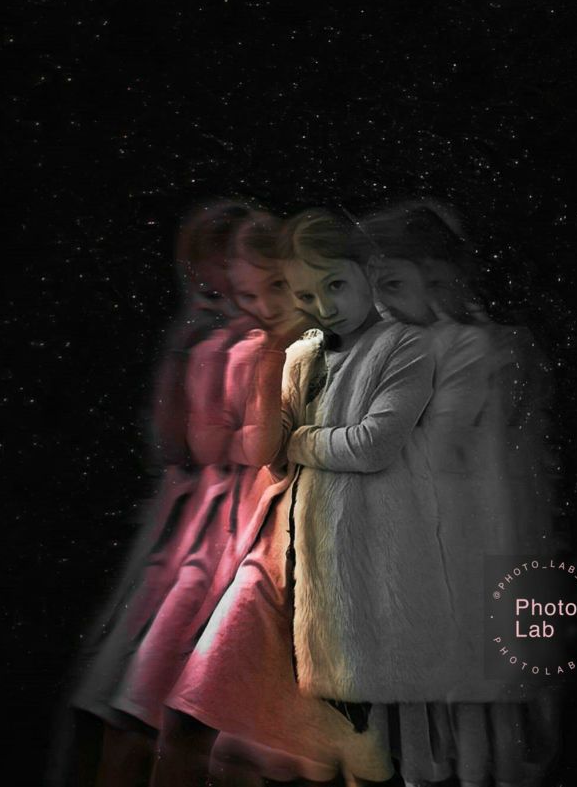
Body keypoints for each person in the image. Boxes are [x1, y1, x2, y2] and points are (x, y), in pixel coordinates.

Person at [151, 208, 461, 787]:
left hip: (359, 579)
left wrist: (299, 441)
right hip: (278, 564)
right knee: (189, 718)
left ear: (367, 271)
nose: (324, 306)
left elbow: (371, 445)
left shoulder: (405, 346)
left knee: (369, 758)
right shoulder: (301, 354)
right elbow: (268, 452)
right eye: (306, 295)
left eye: (334, 286)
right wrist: (274, 354)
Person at [59, 200, 258, 787]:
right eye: (212, 268)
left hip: (228, 528)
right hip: (192, 527)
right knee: (139, 697)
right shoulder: (204, 339)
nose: (222, 280)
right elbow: (173, 443)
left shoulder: (252, 341)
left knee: (172, 707)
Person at [363, 198, 560, 787]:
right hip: (438, 537)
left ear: (438, 277)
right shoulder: (422, 345)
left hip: (469, 539)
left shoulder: (467, 344)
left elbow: (440, 445)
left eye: (393, 284)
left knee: (478, 696)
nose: (381, 303)